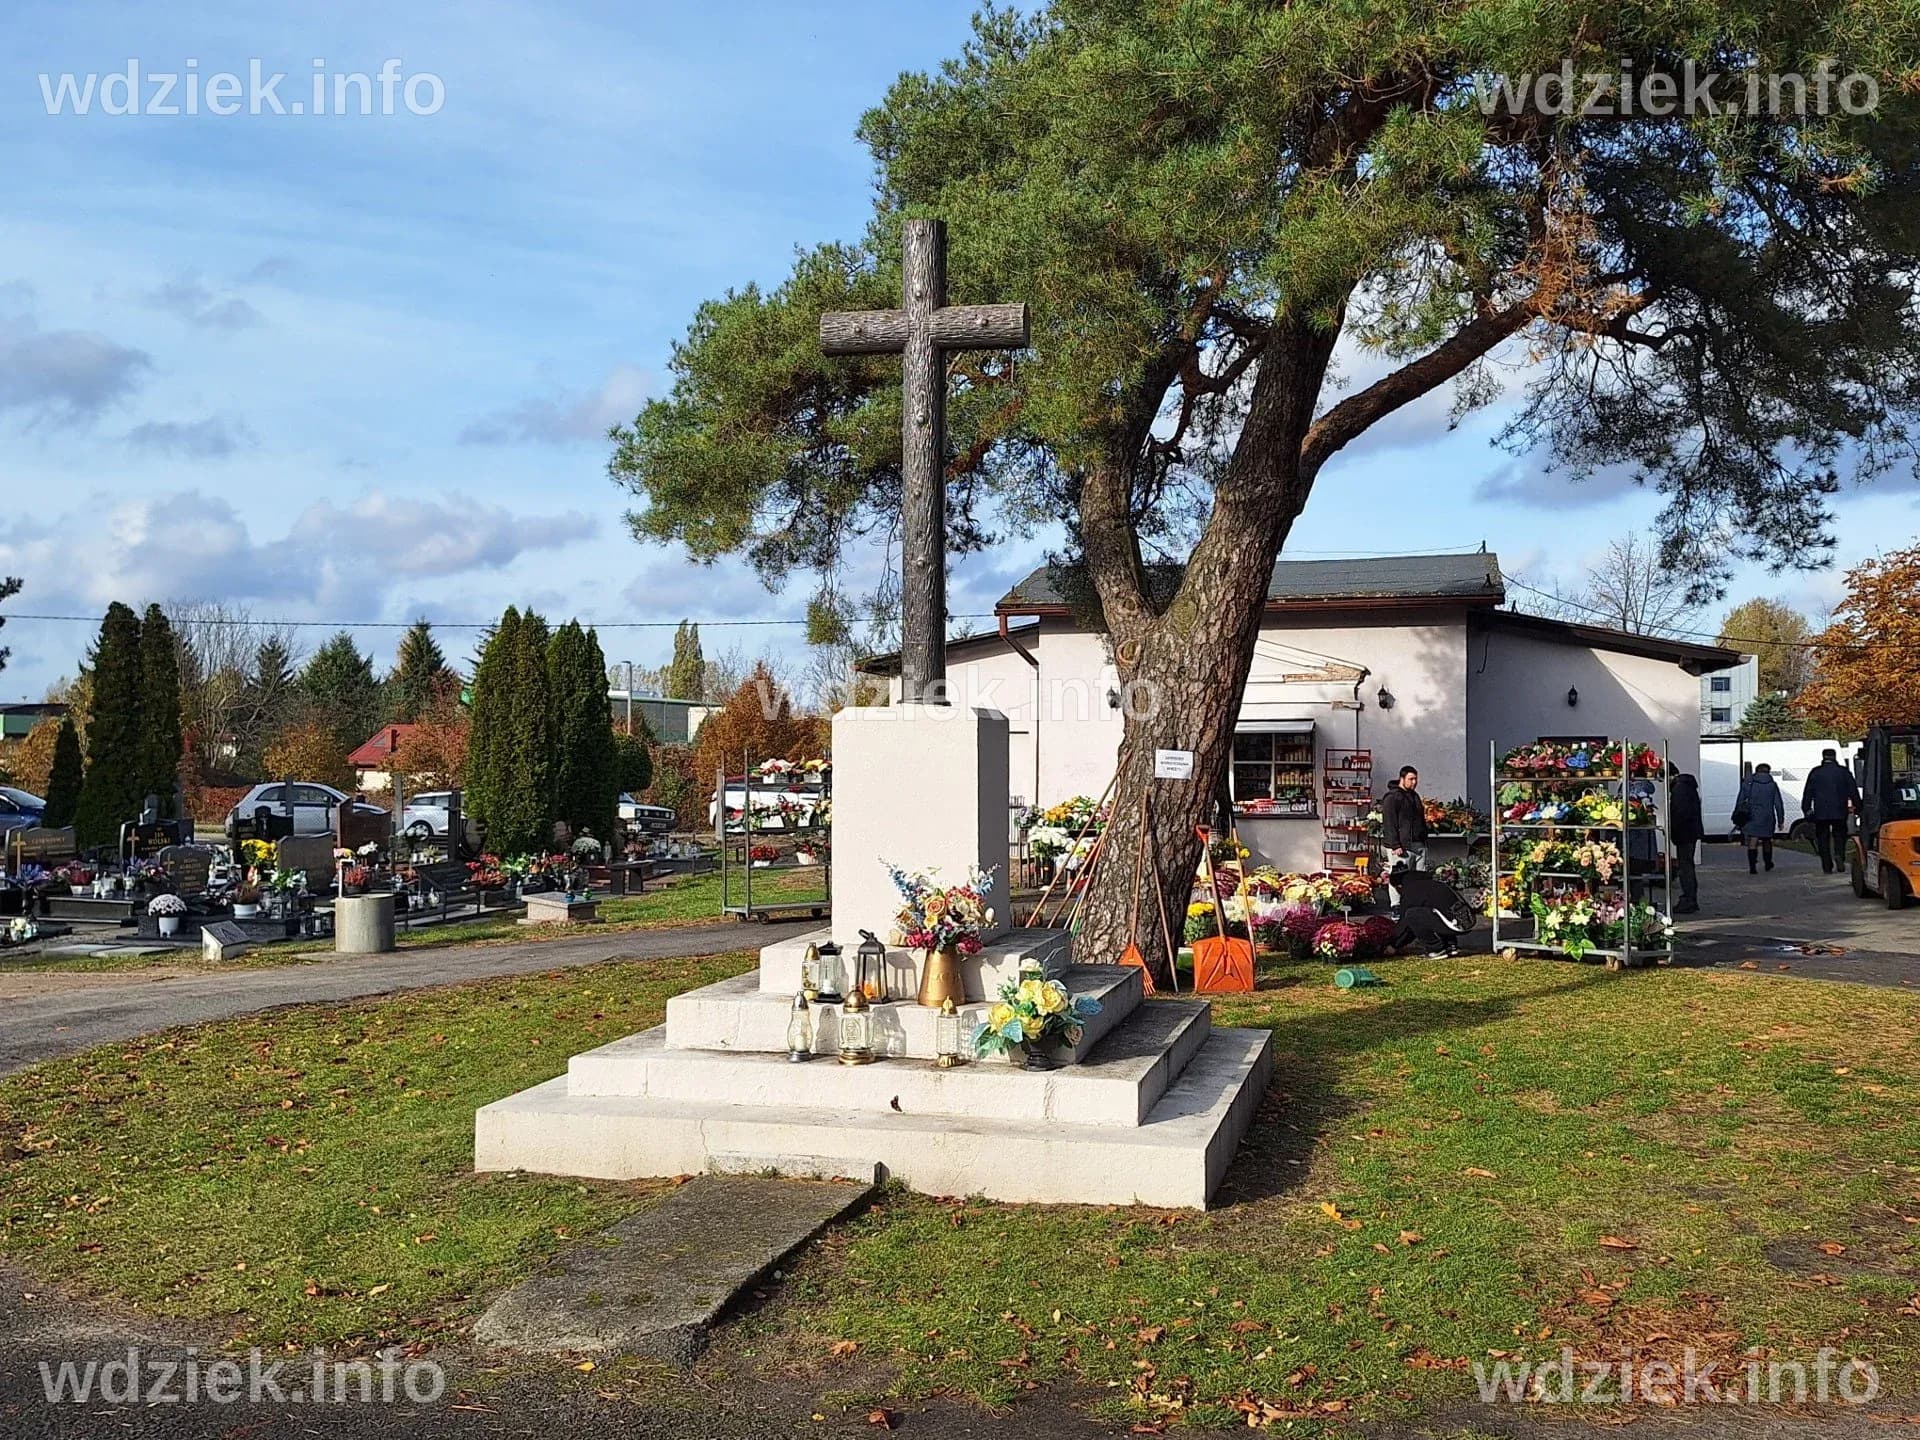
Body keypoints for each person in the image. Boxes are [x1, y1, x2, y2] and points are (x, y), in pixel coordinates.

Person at [1801, 747, 1861, 875]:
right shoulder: (1843, 772)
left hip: (1821, 811)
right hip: (1839, 810)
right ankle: (1839, 855)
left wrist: (1806, 809)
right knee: (1840, 835)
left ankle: (1827, 865)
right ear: (1835, 756)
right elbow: (1853, 790)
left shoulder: (1815, 772)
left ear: (1823, 757)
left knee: (1823, 838)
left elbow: (1808, 792)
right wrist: (1859, 807)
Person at [1380, 765, 1428, 908]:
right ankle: (1396, 906)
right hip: (1402, 846)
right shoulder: (1392, 797)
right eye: (1411, 779)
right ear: (1402, 779)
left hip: (1418, 844)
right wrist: (1395, 844)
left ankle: (1414, 905)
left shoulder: (1414, 796)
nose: (1414, 782)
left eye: (1416, 779)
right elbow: (1389, 823)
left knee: (1419, 877)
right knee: (1398, 877)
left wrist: (1423, 838)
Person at [1734, 763, 1786, 874]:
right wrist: (1781, 820)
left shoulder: (1748, 783)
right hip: (1768, 817)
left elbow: (1740, 800)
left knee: (1753, 840)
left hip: (1752, 816)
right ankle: (1768, 863)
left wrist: (1737, 815)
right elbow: (1778, 804)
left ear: (1756, 771)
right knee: (1767, 840)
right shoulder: (1772, 785)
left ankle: (1752, 867)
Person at [1670, 771, 1704, 913]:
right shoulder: (1687, 786)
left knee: (1685, 867)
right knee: (1687, 865)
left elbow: (1680, 813)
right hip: (1690, 832)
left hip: (1685, 832)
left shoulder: (1680, 789)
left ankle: (1689, 899)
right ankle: (1689, 898)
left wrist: (1674, 831)